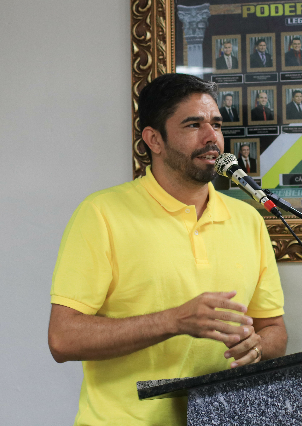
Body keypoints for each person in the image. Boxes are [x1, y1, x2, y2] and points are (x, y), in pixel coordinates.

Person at [48, 73, 287, 425]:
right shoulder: (101, 214)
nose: (212, 137)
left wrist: (257, 347)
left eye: (217, 124)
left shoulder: (248, 219)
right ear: (154, 140)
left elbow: (274, 330)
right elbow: (62, 338)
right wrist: (173, 321)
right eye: (194, 124)